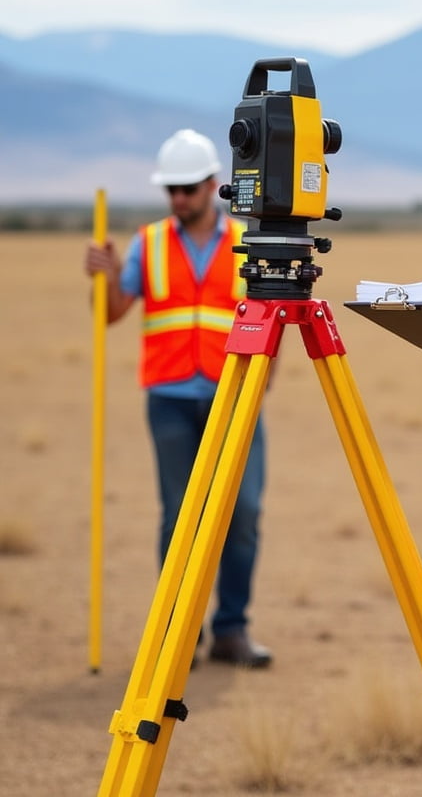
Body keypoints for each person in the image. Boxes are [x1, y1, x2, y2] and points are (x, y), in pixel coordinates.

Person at [84, 128, 272, 668]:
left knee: (243, 513)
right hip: (168, 397)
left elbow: (269, 320)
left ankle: (231, 630)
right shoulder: (148, 243)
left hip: (233, 398)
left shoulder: (248, 242)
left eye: (188, 188)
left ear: (213, 185)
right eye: (171, 190)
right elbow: (110, 313)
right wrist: (102, 279)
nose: (179, 199)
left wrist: (261, 385)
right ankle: (178, 634)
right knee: (179, 518)